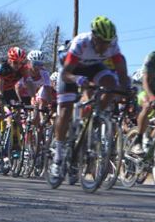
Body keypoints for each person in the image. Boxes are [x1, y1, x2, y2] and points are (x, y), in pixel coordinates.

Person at [50, 16, 129, 177]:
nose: (105, 46)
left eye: (108, 42)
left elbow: (121, 71)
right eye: (102, 42)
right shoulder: (81, 43)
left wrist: (126, 89)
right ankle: (58, 156)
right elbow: (65, 74)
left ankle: (96, 117)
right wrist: (77, 79)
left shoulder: (112, 44)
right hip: (71, 70)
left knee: (111, 84)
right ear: (94, 37)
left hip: (93, 68)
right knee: (65, 111)